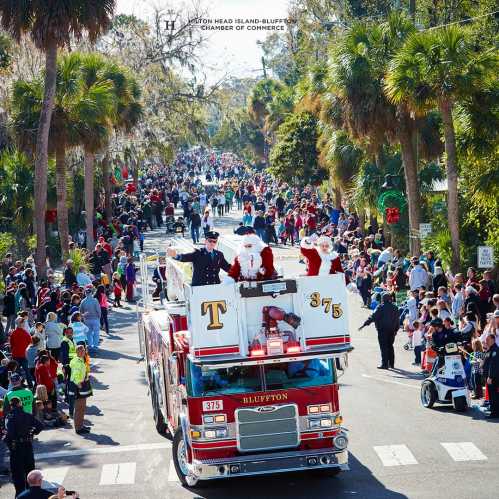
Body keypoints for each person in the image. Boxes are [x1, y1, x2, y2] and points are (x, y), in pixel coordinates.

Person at [3, 396, 43, 496]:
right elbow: (40, 426)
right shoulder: (27, 415)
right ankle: (32, 494)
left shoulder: (10, 417)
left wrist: (7, 441)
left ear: (11, 406)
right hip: (28, 446)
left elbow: (10, 434)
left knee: (18, 474)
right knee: (30, 471)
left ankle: (20, 495)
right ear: (20, 404)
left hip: (16, 448)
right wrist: (33, 432)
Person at [359, 294, 400, 369]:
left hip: (382, 330)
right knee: (390, 346)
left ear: (383, 299)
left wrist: (365, 324)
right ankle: (391, 364)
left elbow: (373, 316)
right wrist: (396, 329)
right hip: (392, 330)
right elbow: (397, 320)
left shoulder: (380, 307)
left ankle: (384, 364)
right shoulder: (395, 307)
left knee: (384, 347)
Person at [68, 345, 92, 434]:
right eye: (81, 351)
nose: (83, 352)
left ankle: (81, 425)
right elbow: (75, 374)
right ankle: (78, 428)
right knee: (79, 408)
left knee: (82, 407)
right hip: (78, 386)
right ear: (77, 352)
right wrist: (78, 384)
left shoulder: (80, 359)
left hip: (81, 384)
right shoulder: (77, 361)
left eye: (83, 350)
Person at [482, 333, 499, 418]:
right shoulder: (490, 350)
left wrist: (490, 377)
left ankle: (495, 413)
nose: (486, 341)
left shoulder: (495, 350)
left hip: (492, 378)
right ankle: (494, 411)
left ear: (492, 340)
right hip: (489, 377)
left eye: (488, 340)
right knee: (492, 395)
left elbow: (494, 365)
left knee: (493, 396)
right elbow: (487, 362)